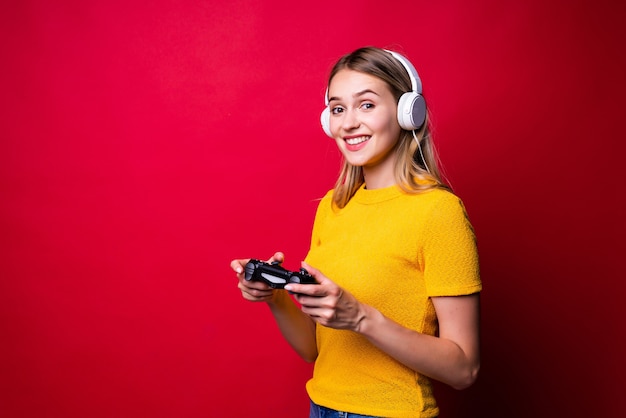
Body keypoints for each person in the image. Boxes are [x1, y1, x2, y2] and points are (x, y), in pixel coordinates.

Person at [230, 46, 482, 418]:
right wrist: (275, 297)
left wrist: (363, 318)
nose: (348, 123)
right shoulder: (333, 207)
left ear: (406, 112)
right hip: (322, 408)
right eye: (337, 108)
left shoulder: (439, 213)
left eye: (366, 105)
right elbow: (314, 350)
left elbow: (464, 369)